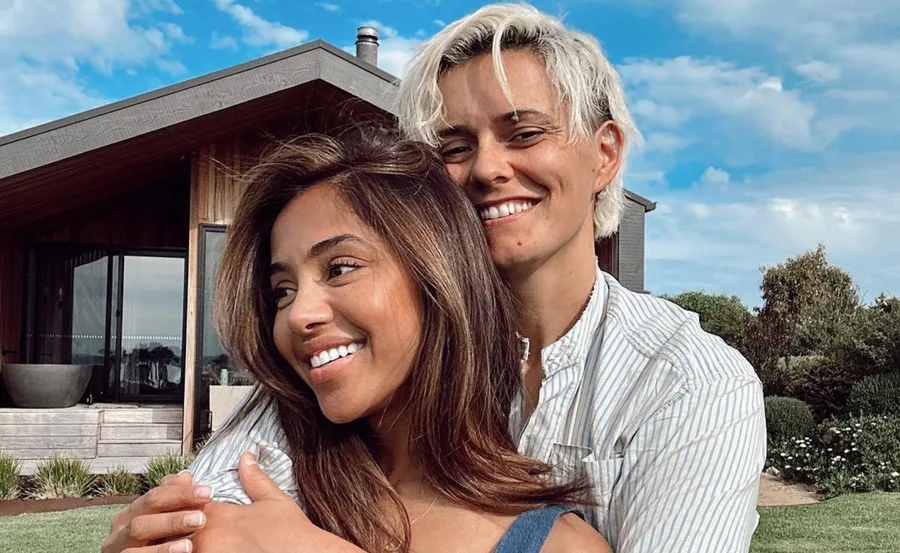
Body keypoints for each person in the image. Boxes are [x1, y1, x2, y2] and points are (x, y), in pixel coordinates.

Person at [103, 3, 766, 552]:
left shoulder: (689, 385)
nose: (486, 169)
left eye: (524, 132)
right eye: (453, 146)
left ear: (604, 153)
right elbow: (208, 512)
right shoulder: (337, 375)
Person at [103, 126, 611, 553]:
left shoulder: (559, 544)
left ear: (439, 278)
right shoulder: (250, 492)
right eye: (282, 291)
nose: (298, 314)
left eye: (341, 268)